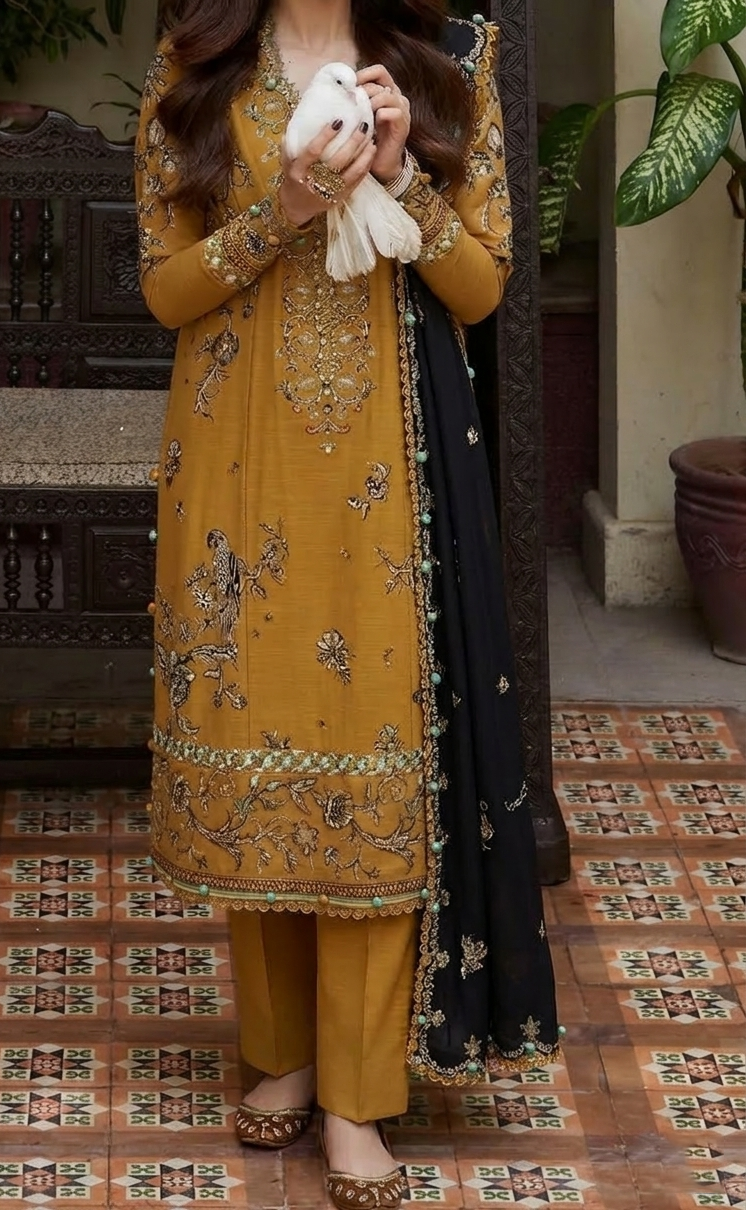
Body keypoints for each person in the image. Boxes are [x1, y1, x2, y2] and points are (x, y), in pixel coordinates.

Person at [135, 2, 563, 1206]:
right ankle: (280, 1053)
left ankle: (359, 1095)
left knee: (377, 768)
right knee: (249, 756)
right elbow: (165, 292)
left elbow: (479, 290)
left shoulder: (446, 66)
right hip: (235, 471)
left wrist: (399, 177)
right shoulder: (196, 68)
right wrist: (278, 215)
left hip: (390, 482)